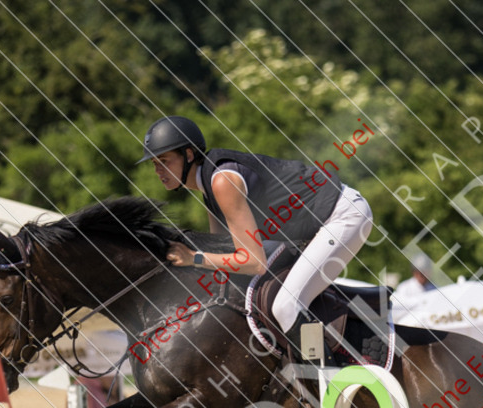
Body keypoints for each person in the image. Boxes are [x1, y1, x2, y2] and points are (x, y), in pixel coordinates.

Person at [139, 115, 373, 360]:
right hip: (314, 230)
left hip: (344, 217)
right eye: (154, 163)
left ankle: (329, 382)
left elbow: (253, 262)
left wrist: (193, 259)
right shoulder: (209, 187)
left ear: (188, 155)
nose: (157, 171)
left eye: (163, 161)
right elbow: (222, 252)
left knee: (285, 306)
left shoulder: (222, 181)